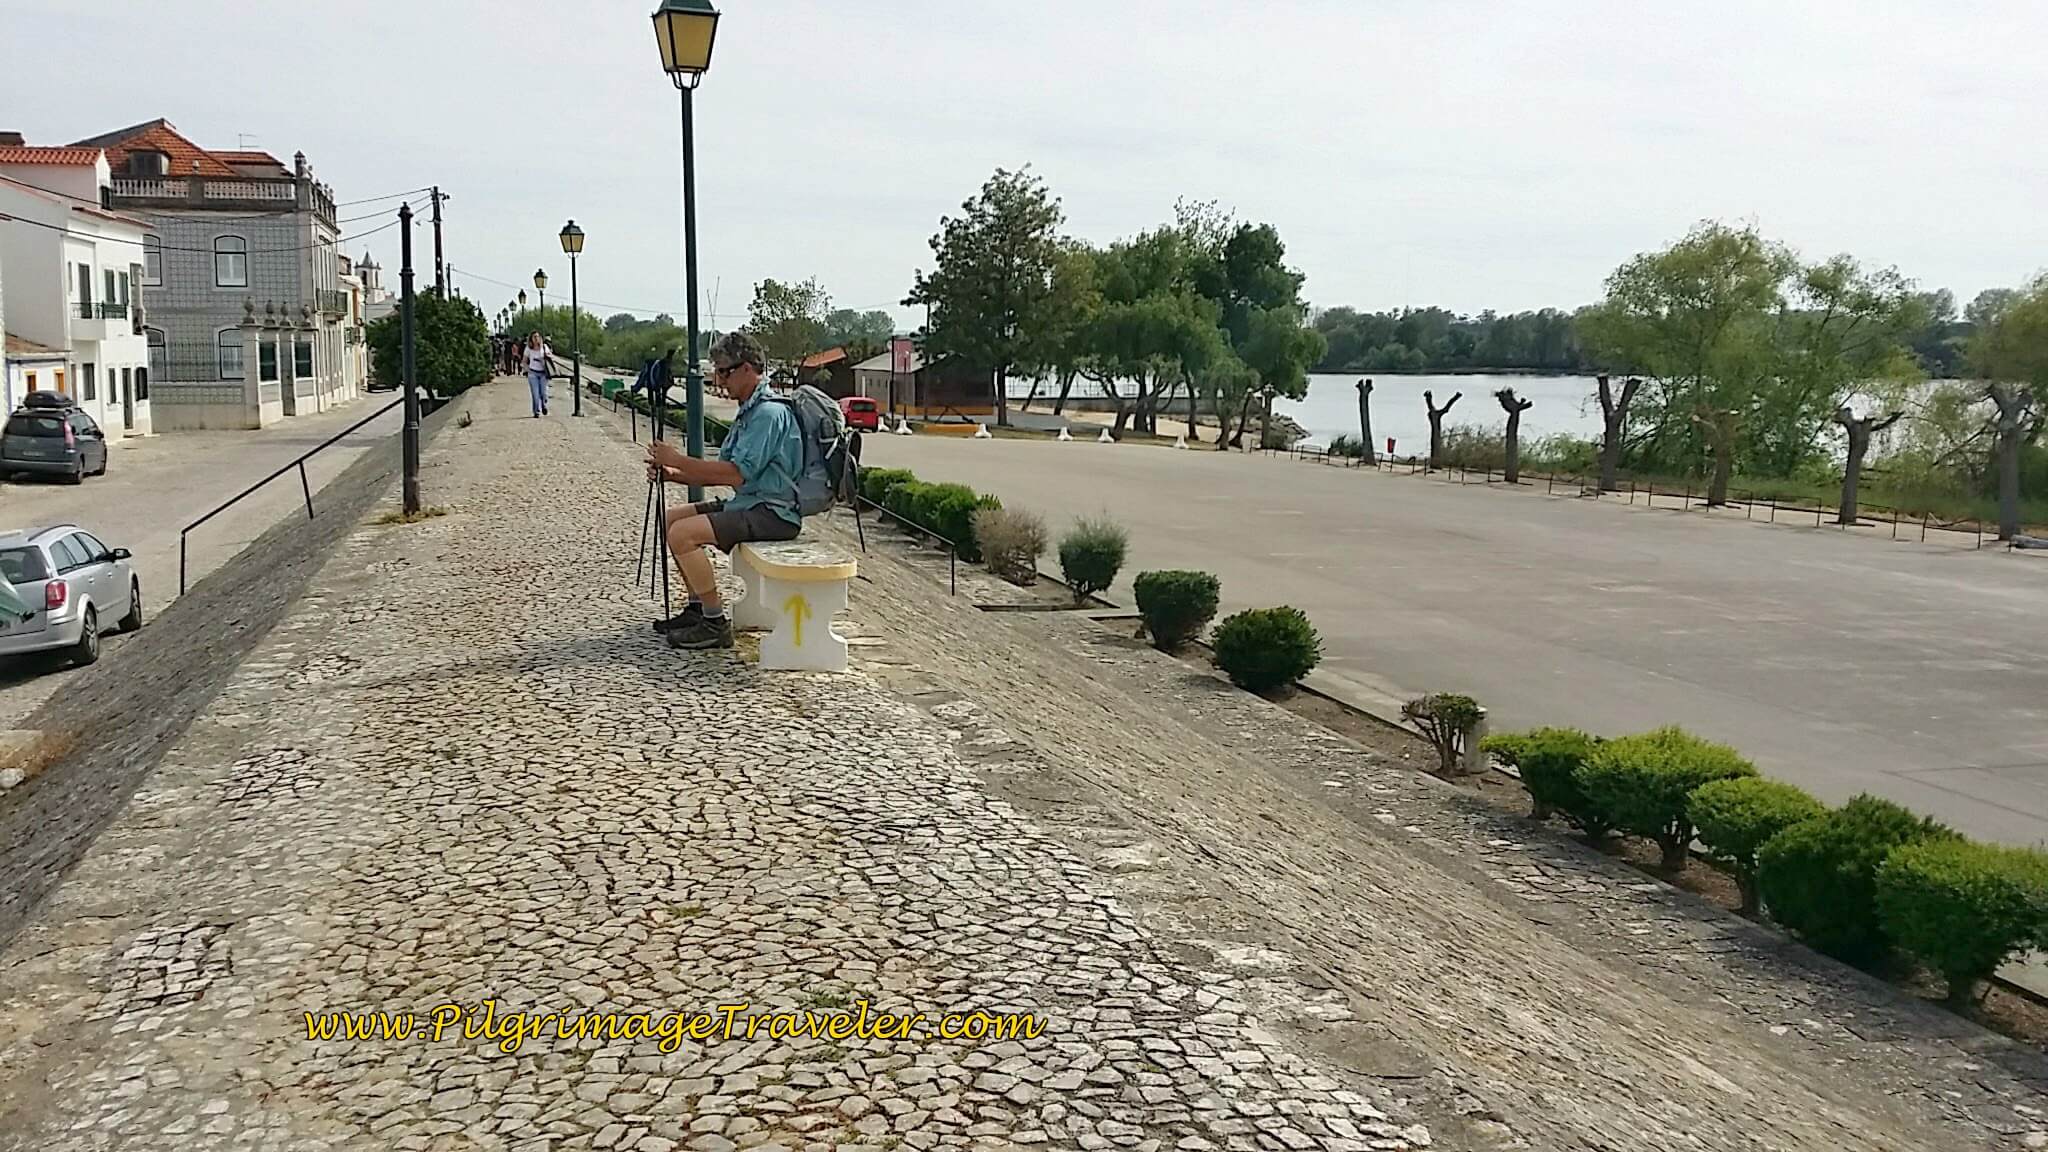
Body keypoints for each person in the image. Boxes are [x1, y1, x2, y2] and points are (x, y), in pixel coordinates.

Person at [643, 332, 802, 651]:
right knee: (671, 519)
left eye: (724, 371)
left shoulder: (768, 414)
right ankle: (697, 609)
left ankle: (715, 623)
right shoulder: (750, 411)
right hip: (751, 504)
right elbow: (728, 474)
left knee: (683, 534)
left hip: (773, 513)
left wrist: (678, 459)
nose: (719, 379)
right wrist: (674, 474)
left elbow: (735, 473)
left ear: (747, 369)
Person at [523, 332, 552, 417]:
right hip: (533, 373)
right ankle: (536, 411)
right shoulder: (528, 348)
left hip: (543, 373)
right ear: (531, 339)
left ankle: (544, 405)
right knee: (535, 394)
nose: (536, 338)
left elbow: (551, 357)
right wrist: (528, 370)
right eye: (534, 337)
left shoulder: (544, 347)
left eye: (537, 336)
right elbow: (524, 361)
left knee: (543, 393)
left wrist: (546, 357)